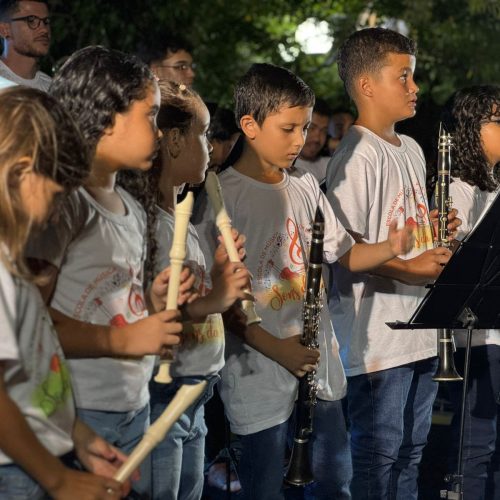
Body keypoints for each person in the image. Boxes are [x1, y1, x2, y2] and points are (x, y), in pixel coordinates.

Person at [195, 62, 415, 500]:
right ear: (249, 125)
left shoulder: (305, 187)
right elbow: (222, 297)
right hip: (258, 369)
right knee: (265, 488)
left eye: (305, 128)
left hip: (317, 366)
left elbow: (346, 252)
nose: (300, 141)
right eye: (288, 129)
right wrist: (277, 348)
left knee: (335, 482)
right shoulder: (221, 196)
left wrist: (394, 245)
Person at [27, 46, 187, 496]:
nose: (158, 131)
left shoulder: (132, 208)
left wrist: (153, 304)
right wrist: (123, 340)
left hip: (130, 406)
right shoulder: (64, 207)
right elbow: (29, 325)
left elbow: (112, 297)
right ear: (107, 116)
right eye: (150, 115)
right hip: (77, 407)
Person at [325, 27, 460, 500]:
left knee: (412, 452)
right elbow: (345, 253)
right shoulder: (357, 155)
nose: (414, 87)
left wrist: (434, 227)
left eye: (412, 77)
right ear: (367, 86)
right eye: (402, 76)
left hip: (417, 330)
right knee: (378, 456)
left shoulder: (411, 148)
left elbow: (402, 229)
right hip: (377, 338)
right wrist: (412, 268)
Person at [118, 79, 250, 500]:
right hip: (164, 392)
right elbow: (156, 308)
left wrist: (219, 276)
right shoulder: (143, 223)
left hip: (197, 389)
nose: (211, 147)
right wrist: (216, 297)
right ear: (174, 141)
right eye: (203, 134)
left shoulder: (181, 221)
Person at [0, 86, 134, 499]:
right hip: (18, 470)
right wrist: (57, 479)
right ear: (21, 173)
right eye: (57, 195)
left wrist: (78, 436)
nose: (59, 212)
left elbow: (31, 377)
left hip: (39, 456)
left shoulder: (14, 261)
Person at [443, 85, 500, 500]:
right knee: (478, 444)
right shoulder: (458, 188)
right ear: (471, 128)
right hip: (479, 336)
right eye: (498, 120)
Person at [0, 0, 51, 90]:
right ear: (4, 30)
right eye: (31, 20)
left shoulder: (52, 87)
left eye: (46, 22)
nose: (44, 30)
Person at [293, 97, 331, 186]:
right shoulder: (282, 170)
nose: (317, 138)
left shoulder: (332, 165)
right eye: (311, 128)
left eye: (323, 131)